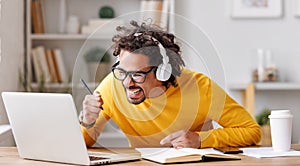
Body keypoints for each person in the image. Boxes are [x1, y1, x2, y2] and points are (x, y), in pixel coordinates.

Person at [79, 20, 261, 149]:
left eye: (137, 74)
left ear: (162, 72)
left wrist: (200, 139)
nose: (127, 82)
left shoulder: (200, 87)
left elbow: (251, 131)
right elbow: (82, 144)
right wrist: (87, 123)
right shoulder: (112, 85)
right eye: (122, 72)